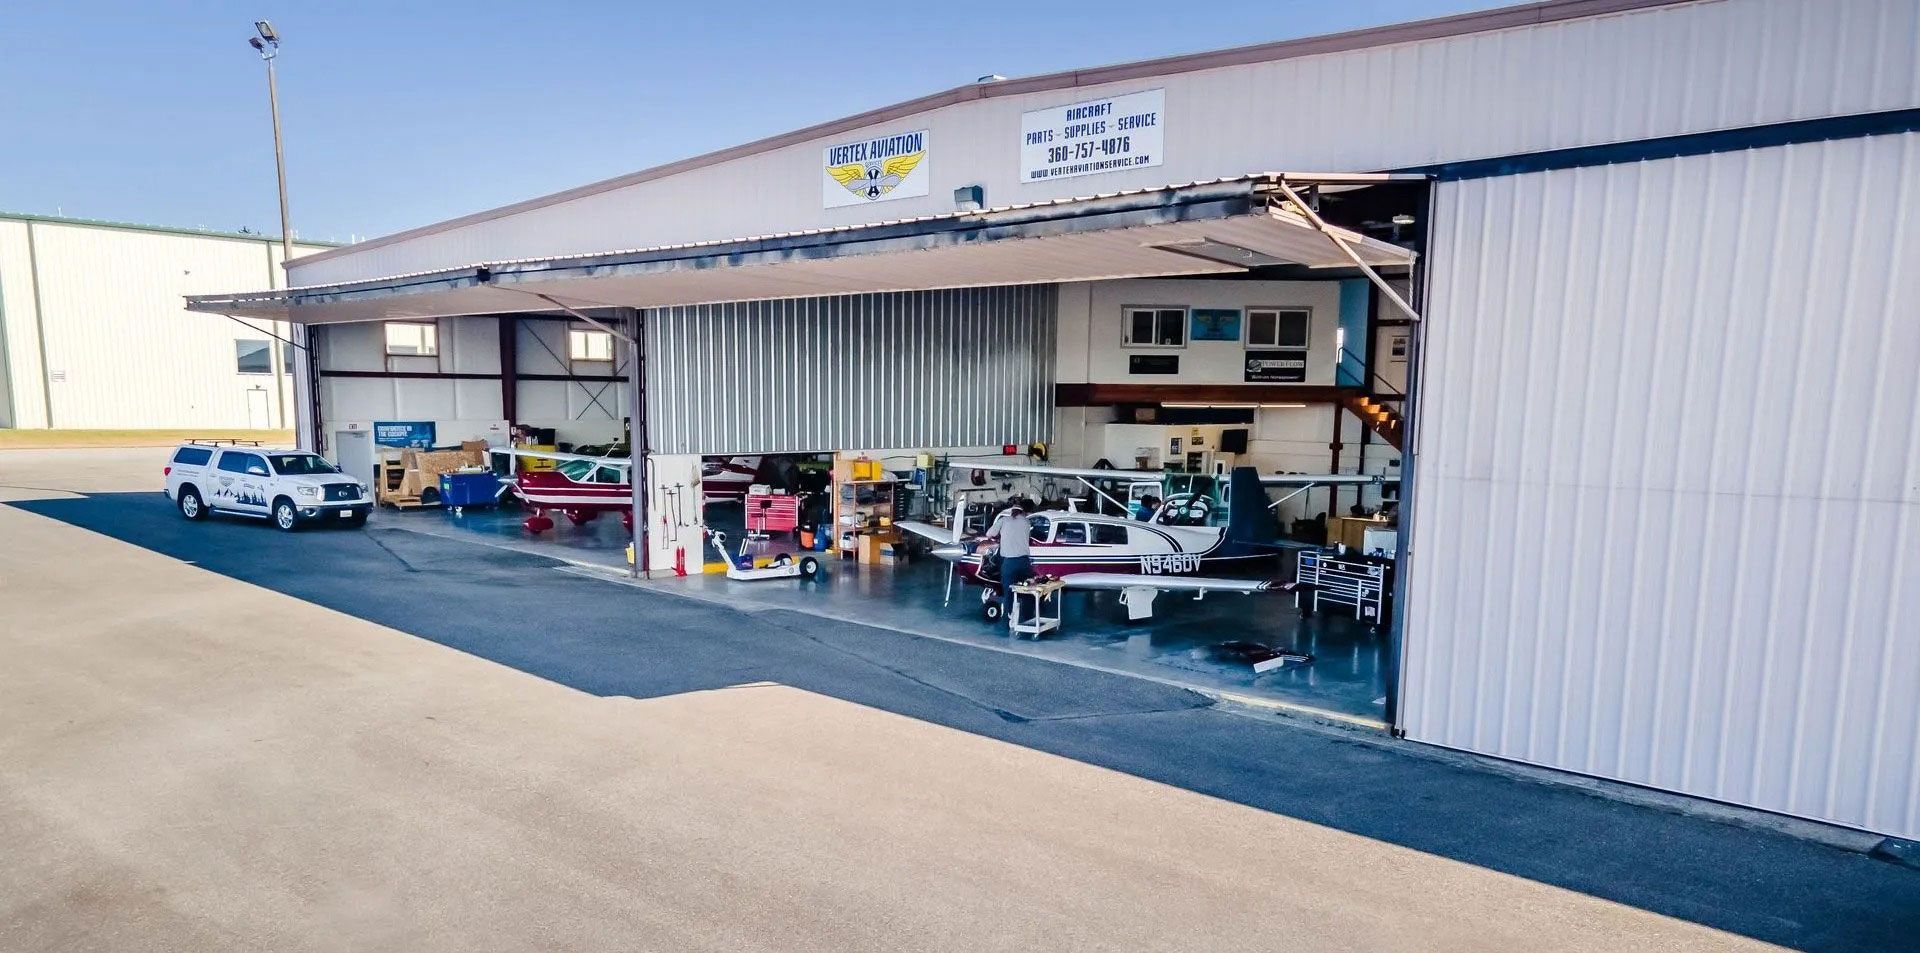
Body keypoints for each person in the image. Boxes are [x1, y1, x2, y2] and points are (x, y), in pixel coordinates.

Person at [980, 504, 1033, 623]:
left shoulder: (1004, 520)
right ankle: (1028, 618)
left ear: (1012, 511)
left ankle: (1008, 618)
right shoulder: (1026, 522)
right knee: (1028, 589)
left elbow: (989, 534)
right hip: (1024, 562)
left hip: (1009, 563)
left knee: (1008, 591)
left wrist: (1001, 534)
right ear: (1022, 512)